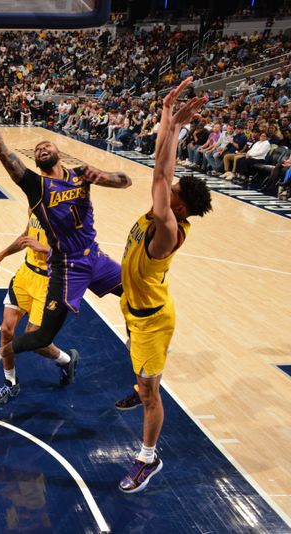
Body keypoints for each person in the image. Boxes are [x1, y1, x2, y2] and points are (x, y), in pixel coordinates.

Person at [0, 77, 131, 395]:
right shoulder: (36, 187)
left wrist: (104, 176)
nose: (42, 148)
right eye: (37, 148)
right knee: (32, 336)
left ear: (58, 151)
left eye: (47, 145)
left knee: (138, 288)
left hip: (93, 256)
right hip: (65, 267)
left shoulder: (81, 176)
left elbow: (125, 181)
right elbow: (1, 150)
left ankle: (133, 332)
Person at [115, 78, 211, 493]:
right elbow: (162, 169)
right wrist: (170, 123)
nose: (167, 185)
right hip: (135, 308)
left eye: (171, 191)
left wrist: (172, 126)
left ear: (180, 206)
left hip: (153, 321)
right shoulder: (168, 208)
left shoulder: (168, 227)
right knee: (141, 377)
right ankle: (142, 384)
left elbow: (159, 171)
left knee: (153, 396)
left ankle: (148, 459)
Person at [0, 212, 77, 406]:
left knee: (33, 337)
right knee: (6, 330)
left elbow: (74, 253)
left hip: (50, 282)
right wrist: (2, 253)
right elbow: (26, 235)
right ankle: (10, 382)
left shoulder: (67, 210)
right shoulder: (35, 201)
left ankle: (66, 359)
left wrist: (43, 249)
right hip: (25, 276)